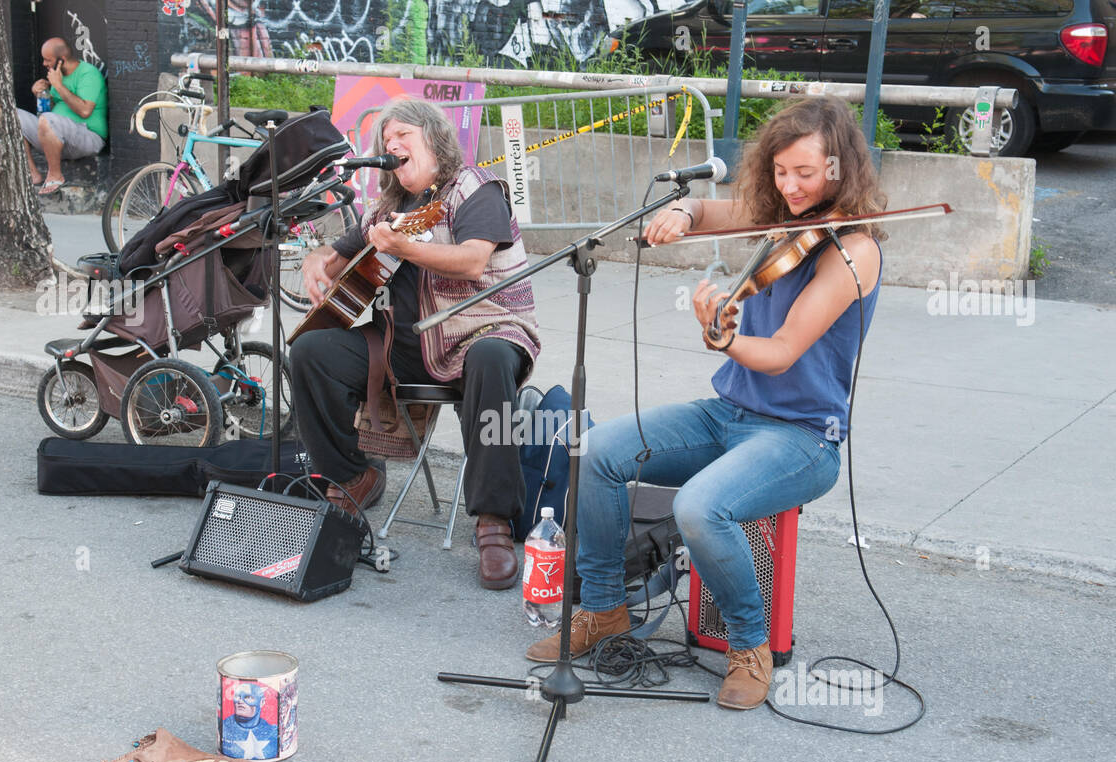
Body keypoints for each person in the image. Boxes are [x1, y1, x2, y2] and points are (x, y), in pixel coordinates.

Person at [525, 96, 885, 711]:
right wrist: (684, 214)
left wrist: (724, 337)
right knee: (600, 450)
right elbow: (707, 207)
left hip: (801, 438)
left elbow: (779, 352)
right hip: (729, 414)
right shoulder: (775, 216)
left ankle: (751, 645)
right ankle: (606, 609)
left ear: (838, 169)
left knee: (699, 507)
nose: (791, 186)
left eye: (806, 173)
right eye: (780, 171)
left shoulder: (856, 251)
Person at [290, 97, 540, 590]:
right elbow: (336, 254)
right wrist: (314, 260)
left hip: (484, 331)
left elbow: (471, 261)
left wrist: (404, 247)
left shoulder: (474, 189)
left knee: (490, 359)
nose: (392, 145)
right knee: (309, 352)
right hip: (406, 347)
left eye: (403, 134)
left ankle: (494, 521)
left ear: (434, 139)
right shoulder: (390, 208)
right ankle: (353, 475)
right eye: (385, 141)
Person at [17, 38, 107, 196]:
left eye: (47, 60)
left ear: (62, 60)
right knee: (12, 116)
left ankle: (55, 175)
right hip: (58, 137)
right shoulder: (58, 75)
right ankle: (32, 173)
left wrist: (58, 85)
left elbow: (85, 110)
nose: (44, 64)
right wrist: (41, 94)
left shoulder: (88, 74)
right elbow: (53, 112)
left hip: (88, 137)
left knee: (47, 119)